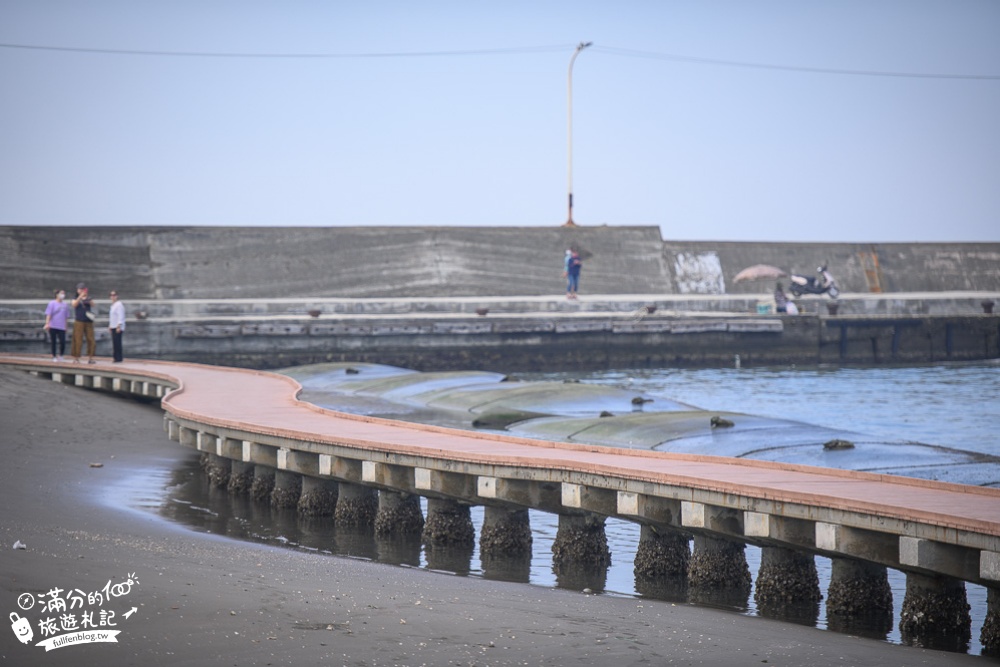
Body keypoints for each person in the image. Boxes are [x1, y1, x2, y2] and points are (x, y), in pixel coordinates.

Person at [71, 282, 96, 364]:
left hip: (88, 321)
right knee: (77, 339)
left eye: (82, 289)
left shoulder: (88, 297)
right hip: (79, 321)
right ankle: (76, 357)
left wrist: (87, 298)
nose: (81, 290)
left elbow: (93, 305)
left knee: (91, 339)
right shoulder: (75, 297)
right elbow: (74, 305)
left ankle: (91, 357)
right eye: (79, 289)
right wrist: (80, 297)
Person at [43, 288, 70, 361]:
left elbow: (66, 317)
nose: (63, 295)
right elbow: (48, 314)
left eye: (63, 293)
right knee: (53, 341)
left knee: (63, 342)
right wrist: (47, 323)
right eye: (61, 293)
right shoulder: (52, 303)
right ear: (57, 295)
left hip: (61, 326)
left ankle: (61, 355)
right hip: (53, 325)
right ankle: (54, 356)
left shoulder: (65, 305)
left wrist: (66, 326)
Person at [108, 290, 125, 363]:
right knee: (114, 342)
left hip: (117, 326)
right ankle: (115, 357)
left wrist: (119, 325)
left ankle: (118, 357)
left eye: (114, 295)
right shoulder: (113, 305)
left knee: (118, 342)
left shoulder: (119, 304)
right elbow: (112, 317)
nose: (112, 296)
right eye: (111, 295)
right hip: (113, 326)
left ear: (117, 296)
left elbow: (120, 316)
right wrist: (110, 326)